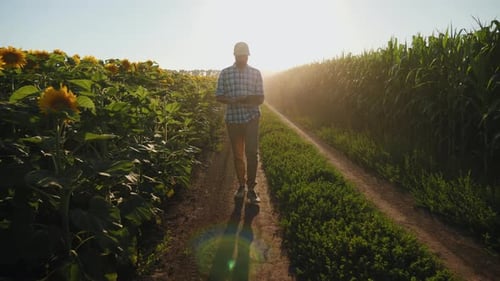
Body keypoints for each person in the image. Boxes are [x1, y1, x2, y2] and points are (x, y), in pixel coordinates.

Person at [215, 42, 264, 204]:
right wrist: (232, 100)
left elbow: (261, 98)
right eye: (240, 55)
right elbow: (219, 95)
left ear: (248, 56)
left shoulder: (256, 73)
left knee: (251, 153)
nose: (243, 58)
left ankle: (251, 189)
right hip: (233, 119)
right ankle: (241, 186)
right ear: (235, 55)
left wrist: (247, 99)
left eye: (245, 55)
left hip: (251, 117)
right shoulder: (225, 73)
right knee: (238, 155)